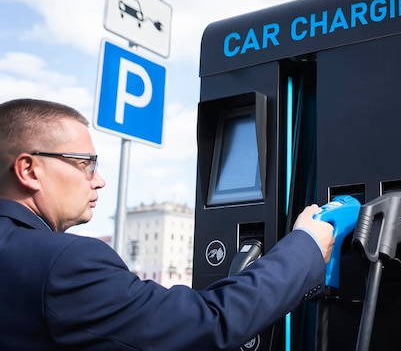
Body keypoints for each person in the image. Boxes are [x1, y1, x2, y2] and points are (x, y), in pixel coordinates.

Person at [0, 98, 335, 350]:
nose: (99, 180)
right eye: (86, 164)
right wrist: (305, 244)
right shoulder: (65, 264)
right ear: (29, 170)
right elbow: (208, 324)